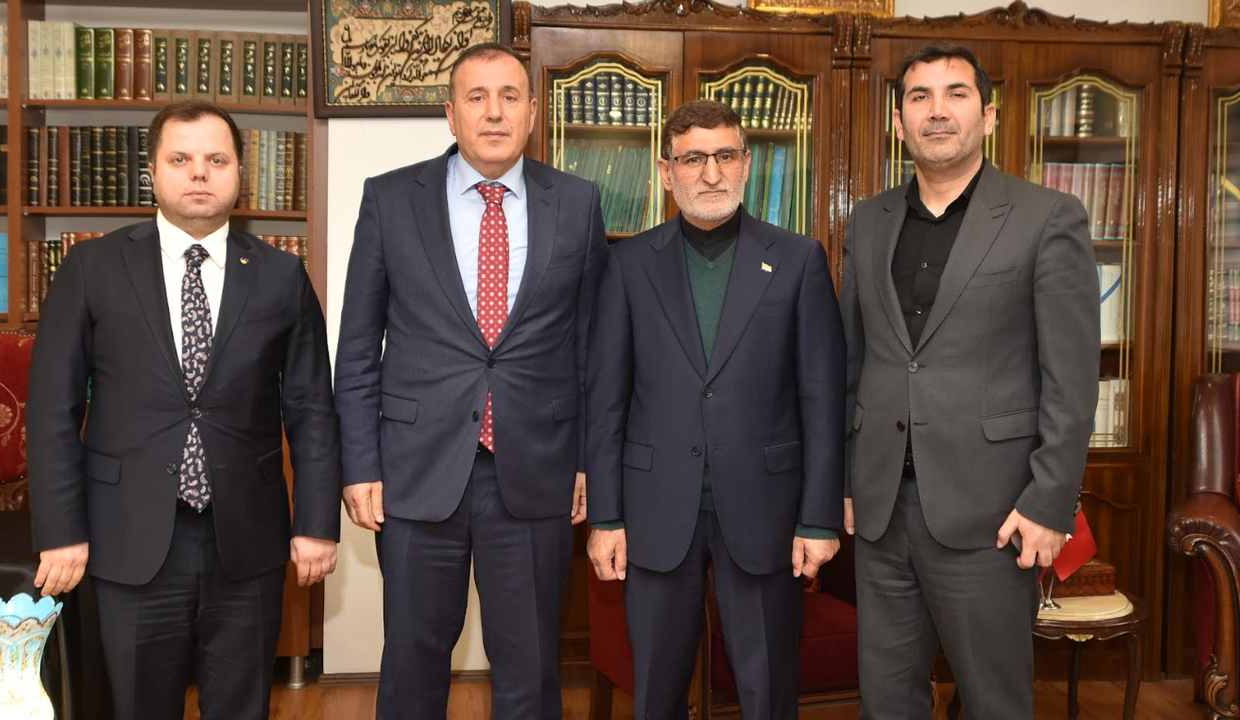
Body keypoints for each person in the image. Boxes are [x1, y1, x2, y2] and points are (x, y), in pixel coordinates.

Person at [27, 100, 341, 720]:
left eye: (216, 159)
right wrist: (61, 532)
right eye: (181, 159)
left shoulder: (281, 275)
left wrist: (316, 523)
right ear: (152, 172)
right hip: (127, 538)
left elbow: (312, 410)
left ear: (240, 173)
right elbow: (51, 409)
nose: (200, 172)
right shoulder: (91, 267)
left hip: (247, 540)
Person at [334, 42, 608, 719]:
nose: (494, 112)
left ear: (533, 112)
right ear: (450, 113)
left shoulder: (577, 203)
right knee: (412, 665)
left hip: (536, 471)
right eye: (477, 97)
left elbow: (592, 349)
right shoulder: (390, 199)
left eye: (510, 97)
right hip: (415, 472)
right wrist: (360, 463)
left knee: (530, 669)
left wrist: (586, 461)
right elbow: (359, 348)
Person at [841, 42, 1100, 719]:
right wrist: (843, 479)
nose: (937, 111)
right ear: (898, 121)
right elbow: (852, 362)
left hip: (995, 515)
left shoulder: (1047, 217)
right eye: (919, 97)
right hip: (881, 512)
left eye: (956, 94)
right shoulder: (868, 221)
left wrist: (1050, 503)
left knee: (995, 704)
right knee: (885, 703)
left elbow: (1072, 379)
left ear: (989, 115)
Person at [586, 99, 846, 720]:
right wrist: (606, 515)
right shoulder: (627, 264)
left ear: (746, 164)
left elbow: (823, 399)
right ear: (665, 171)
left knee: (767, 694)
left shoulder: (798, 259)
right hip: (654, 513)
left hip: (766, 513)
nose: (711, 174)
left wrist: (818, 520)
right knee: (655, 693)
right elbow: (605, 400)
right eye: (693, 159)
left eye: (725, 156)